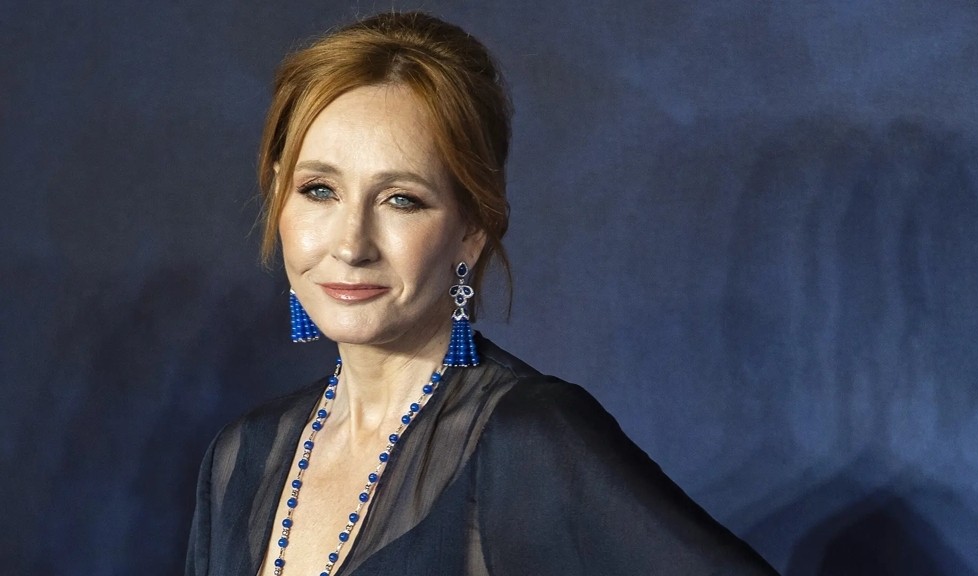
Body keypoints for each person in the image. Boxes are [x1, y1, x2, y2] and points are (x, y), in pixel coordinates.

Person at [186, 11, 778, 576]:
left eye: (401, 199)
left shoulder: (528, 437)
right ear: (278, 197)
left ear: (471, 229)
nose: (351, 244)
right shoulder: (242, 455)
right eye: (319, 190)